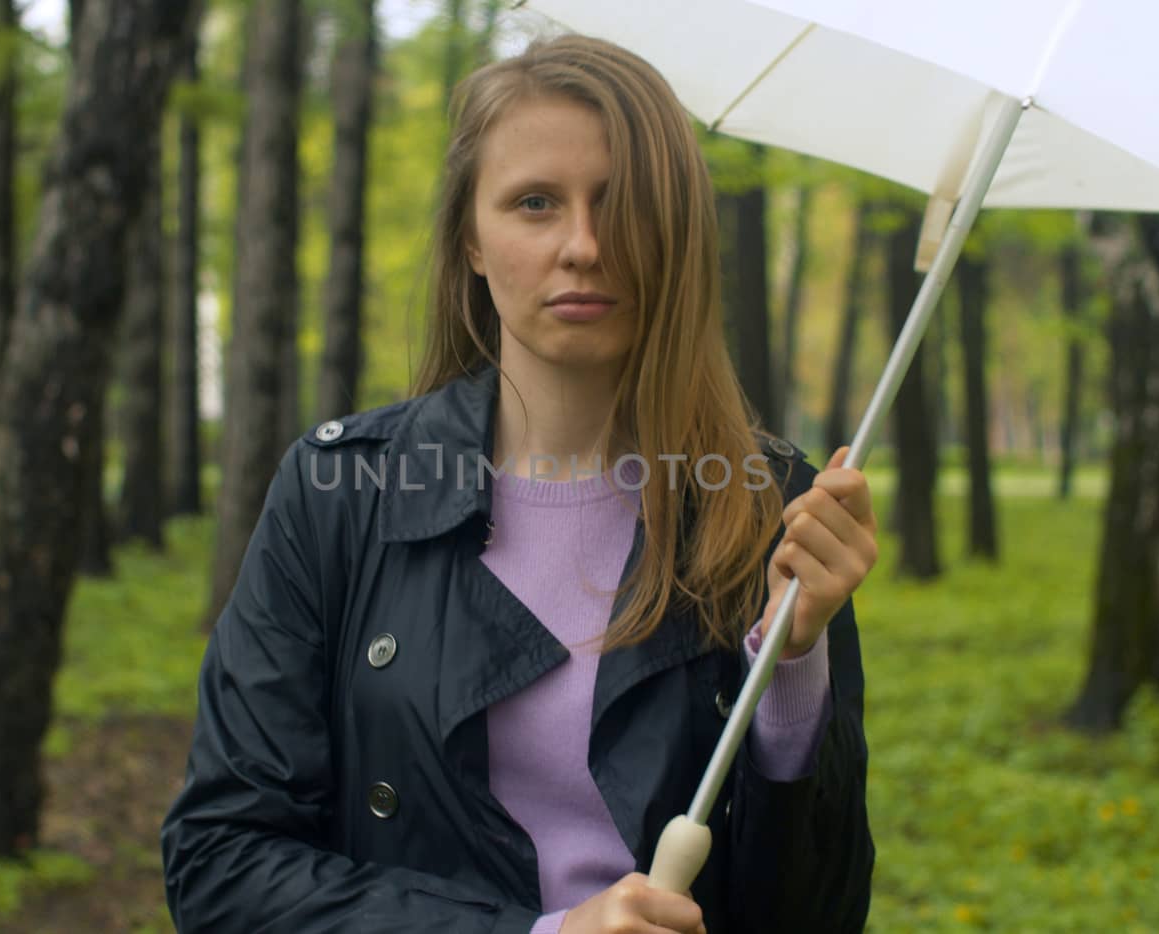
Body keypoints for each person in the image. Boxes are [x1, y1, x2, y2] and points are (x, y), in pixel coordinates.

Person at [161, 34, 877, 934]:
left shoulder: (771, 507)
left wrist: (794, 669)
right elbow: (221, 865)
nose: (583, 245)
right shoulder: (339, 493)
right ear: (471, 236)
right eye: (535, 203)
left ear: (679, 234)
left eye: (621, 204)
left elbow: (818, 913)